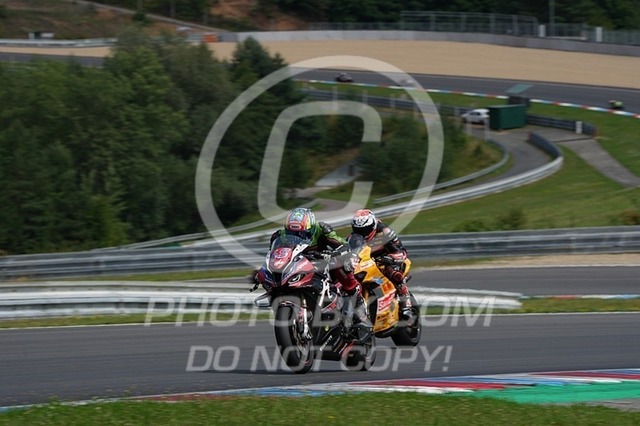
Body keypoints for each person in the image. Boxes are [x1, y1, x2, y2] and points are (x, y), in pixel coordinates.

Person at [256, 207, 372, 332]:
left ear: (311, 228)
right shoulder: (279, 236)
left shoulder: (322, 230)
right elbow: (274, 255)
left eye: (302, 233)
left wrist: (336, 253)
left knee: (341, 264)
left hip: (322, 263)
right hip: (297, 266)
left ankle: (358, 303)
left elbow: (343, 245)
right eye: (293, 233)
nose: (298, 236)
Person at [350, 208, 413, 319]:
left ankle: (405, 301)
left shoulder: (385, 231)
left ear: (373, 226)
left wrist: (391, 257)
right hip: (367, 261)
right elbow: (348, 251)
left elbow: (400, 251)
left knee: (394, 272)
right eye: (359, 230)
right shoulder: (354, 237)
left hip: (387, 258)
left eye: (366, 230)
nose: (362, 233)